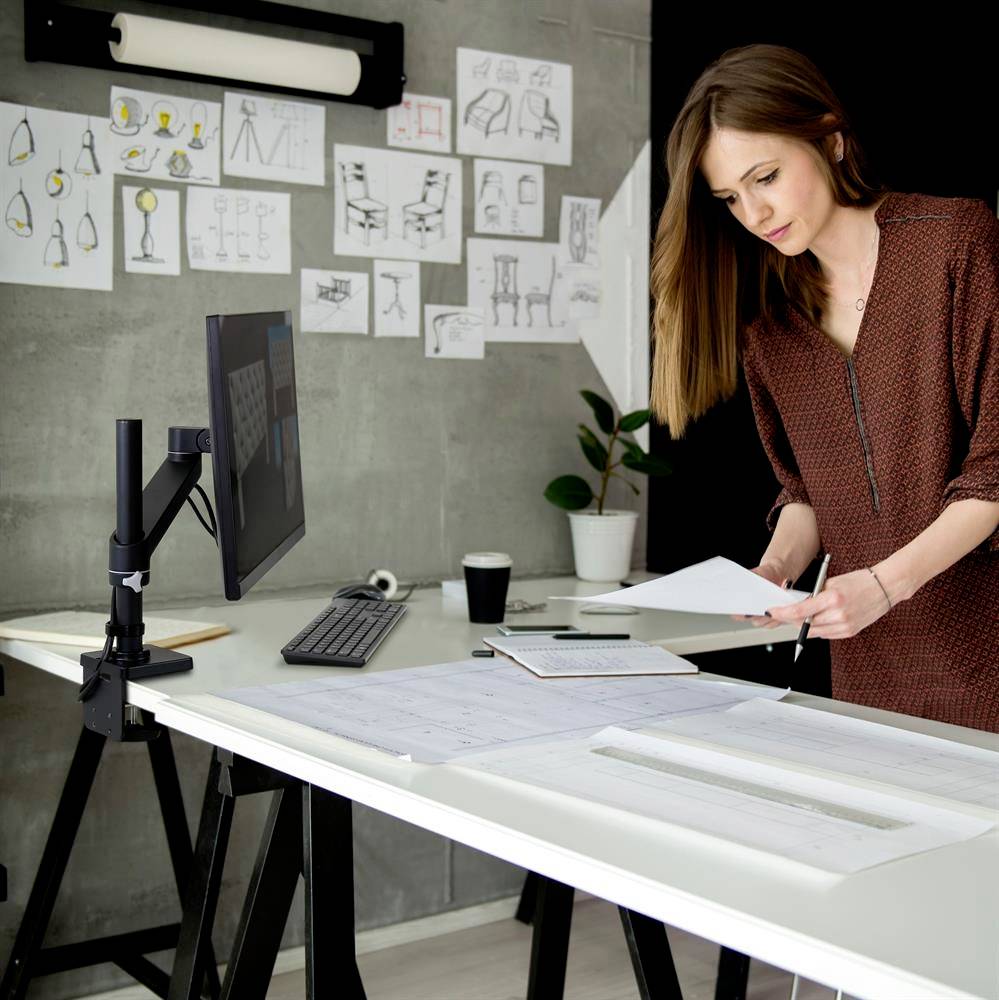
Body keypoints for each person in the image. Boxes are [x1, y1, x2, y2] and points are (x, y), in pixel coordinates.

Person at [649, 44, 999, 732]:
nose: (752, 211)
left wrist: (880, 585)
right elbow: (809, 491)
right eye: (729, 196)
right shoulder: (771, 327)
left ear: (830, 140)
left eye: (766, 176)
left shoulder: (953, 244)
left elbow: (994, 470)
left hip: (982, 649)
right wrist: (776, 567)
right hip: (865, 662)